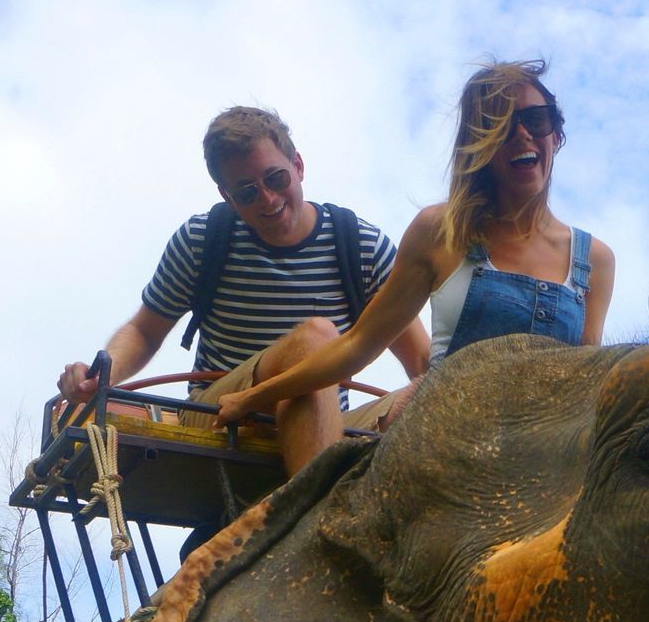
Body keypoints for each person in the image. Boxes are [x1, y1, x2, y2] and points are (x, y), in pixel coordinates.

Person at [212, 60, 613, 466]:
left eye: (536, 119)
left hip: (543, 462)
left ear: (556, 133)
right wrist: (254, 397)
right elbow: (356, 346)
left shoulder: (594, 260)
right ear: (480, 143)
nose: (522, 134)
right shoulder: (441, 232)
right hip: (449, 451)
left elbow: (586, 387)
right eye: (502, 125)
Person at [57, 105, 431, 476]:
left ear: (297, 166)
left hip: (326, 425)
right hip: (223, 416)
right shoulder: (203, 240)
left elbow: (422, 362)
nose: (268, 200)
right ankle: (316, 515)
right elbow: (144, 330)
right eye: (248, 192)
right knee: (317, 337)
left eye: (276, 179)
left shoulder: (359, 246)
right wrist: (100, 375)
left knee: (444, 390)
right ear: (227, 196)